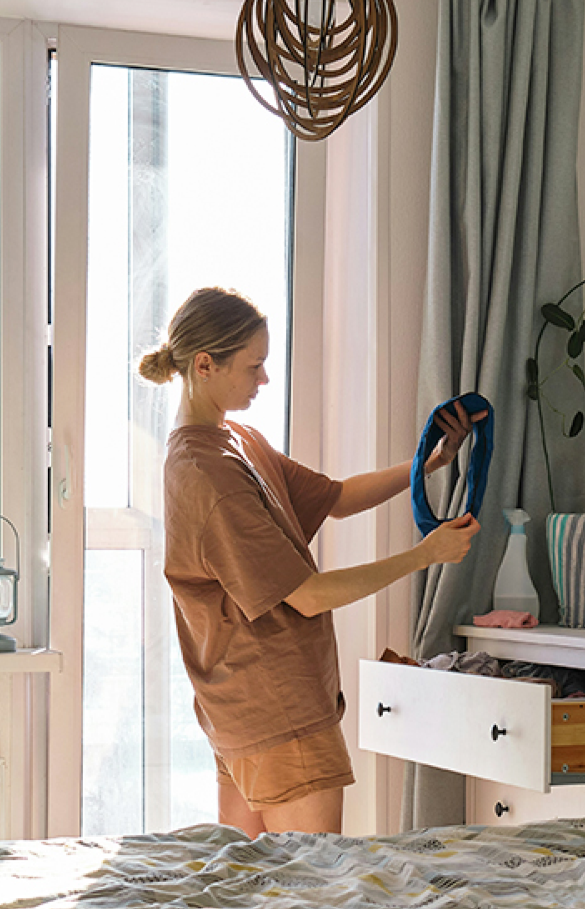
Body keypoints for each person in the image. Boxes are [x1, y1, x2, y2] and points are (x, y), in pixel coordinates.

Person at [137, 286, 484, 838]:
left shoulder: (234, 441)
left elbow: (338, 497)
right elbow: (308, 594)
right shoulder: (209, 474)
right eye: (254, 366)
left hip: (243, 708)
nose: (264, 380)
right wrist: (424, 555)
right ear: (205, 365)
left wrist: (429, 463)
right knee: (310, 893)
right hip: (278, 714)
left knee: (255, 894)